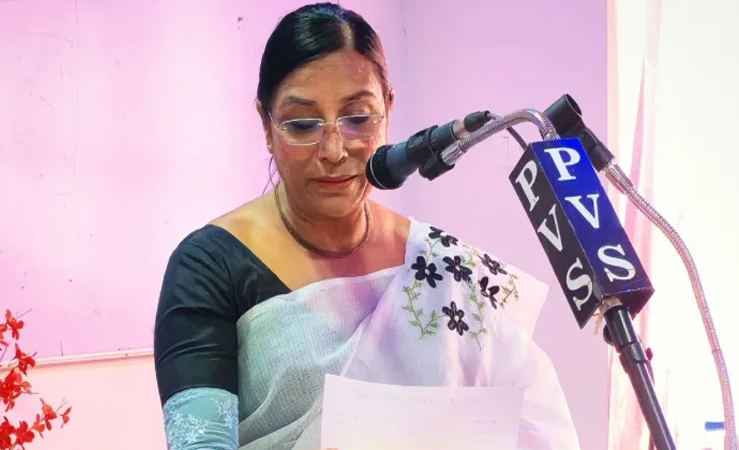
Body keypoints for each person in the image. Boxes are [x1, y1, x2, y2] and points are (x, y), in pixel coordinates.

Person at [154, 3, 580, 449]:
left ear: (388, 108)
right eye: (303, 124)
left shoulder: (439, 264)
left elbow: (534, 423)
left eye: (358, 118)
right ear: (267, 124)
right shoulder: (209, 267)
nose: (334, 150)